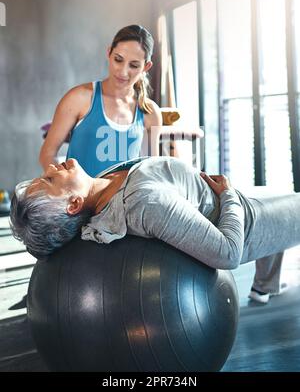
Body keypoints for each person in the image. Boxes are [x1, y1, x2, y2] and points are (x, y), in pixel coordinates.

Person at [10, 156, 300, 303]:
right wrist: (228, 195)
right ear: (73, 204)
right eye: (50, 179)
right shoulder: (143, 203)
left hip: (225, 196)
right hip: (245, 221)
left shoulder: (100, 186)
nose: (50, 165)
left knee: (282, 191)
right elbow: (228, 254)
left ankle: (265, 286)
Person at [39, 25, 162, 177]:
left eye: (134, 65)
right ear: (109, 53)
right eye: (118, 59)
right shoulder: (79, 98)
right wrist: (66, 184)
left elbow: (151, 170)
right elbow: (48, 153)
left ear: (146, 67)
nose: (123, 71)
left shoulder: (150, 112)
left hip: (125, 200)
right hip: (79, 199)